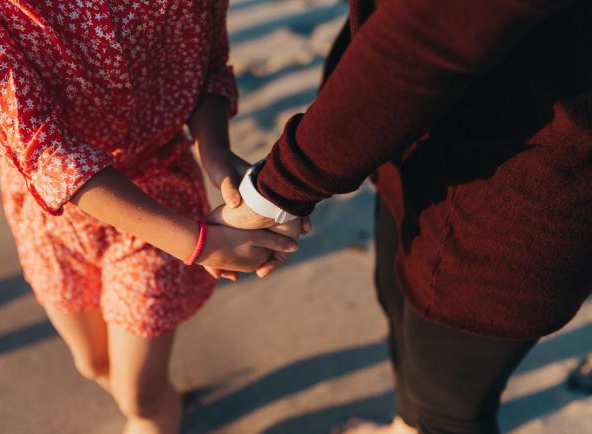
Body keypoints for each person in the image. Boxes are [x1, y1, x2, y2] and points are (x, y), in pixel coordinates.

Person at [209, 0, 592, 433]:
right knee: (397, 302)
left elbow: (431, 33)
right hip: (409, 138)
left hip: (524, 189)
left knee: (447, 408)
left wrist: (278, 192)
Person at [0, 2, 301, 433]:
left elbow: (209, 67)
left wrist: (216, 153)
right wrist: (203, 244)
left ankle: (153, 415)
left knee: (140, 393)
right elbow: (43, 150)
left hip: (160, 206)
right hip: (50, 218)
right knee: (91, 362)